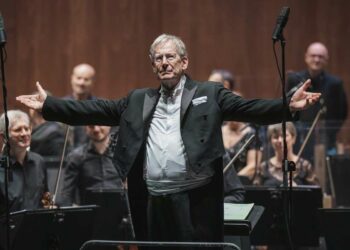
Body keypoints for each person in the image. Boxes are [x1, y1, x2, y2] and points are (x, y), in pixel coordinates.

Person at [17, 34, 320, 247]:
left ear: (184, 62)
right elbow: (93, 109)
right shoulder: (138, 99)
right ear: (154, 66)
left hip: (196, 201)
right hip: (152, 200)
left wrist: (288, 106)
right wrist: (49, 105)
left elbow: (251, 107)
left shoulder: (209, 93)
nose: (164, 62)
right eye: (158, 58)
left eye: (170, 56)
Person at [287, 42, 348, 158]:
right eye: (313, 56)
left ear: (326, 59)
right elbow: (288, 107)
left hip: (324, 139)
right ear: (306, 57)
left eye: (321, 57)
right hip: (298, 138)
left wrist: (329, 134)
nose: (316, 59)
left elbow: (341, 113)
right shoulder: (294, 79)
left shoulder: (335, 83)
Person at [59, 125, 123, 206]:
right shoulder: (76, 157)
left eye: (100, 124)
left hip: (119, 211)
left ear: (109, 125)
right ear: (85, 128)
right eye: (91, 126)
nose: (96, 129)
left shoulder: (122, 154)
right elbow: (67, 194)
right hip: (88, 213)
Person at [0, 110, 49, 215]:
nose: (24, 133)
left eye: (26, 128)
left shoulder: (39, 162)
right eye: (18, 130)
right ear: (4, 137)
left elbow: (45, 197)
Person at [257, 122, 319, 187]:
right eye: (275, 137)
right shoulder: (263, 168)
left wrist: (298, 189)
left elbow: (317, 194)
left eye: (284, 136)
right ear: (270, 141)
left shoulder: (304, 166)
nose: (280, 140)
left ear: (293, 138)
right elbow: (255, 194)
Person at [66, 63, 98, 148]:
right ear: (72, 78)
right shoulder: (61, 104)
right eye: (79, 78)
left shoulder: (99, 106)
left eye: (86, 79)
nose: (81, 83)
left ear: (93, 82)